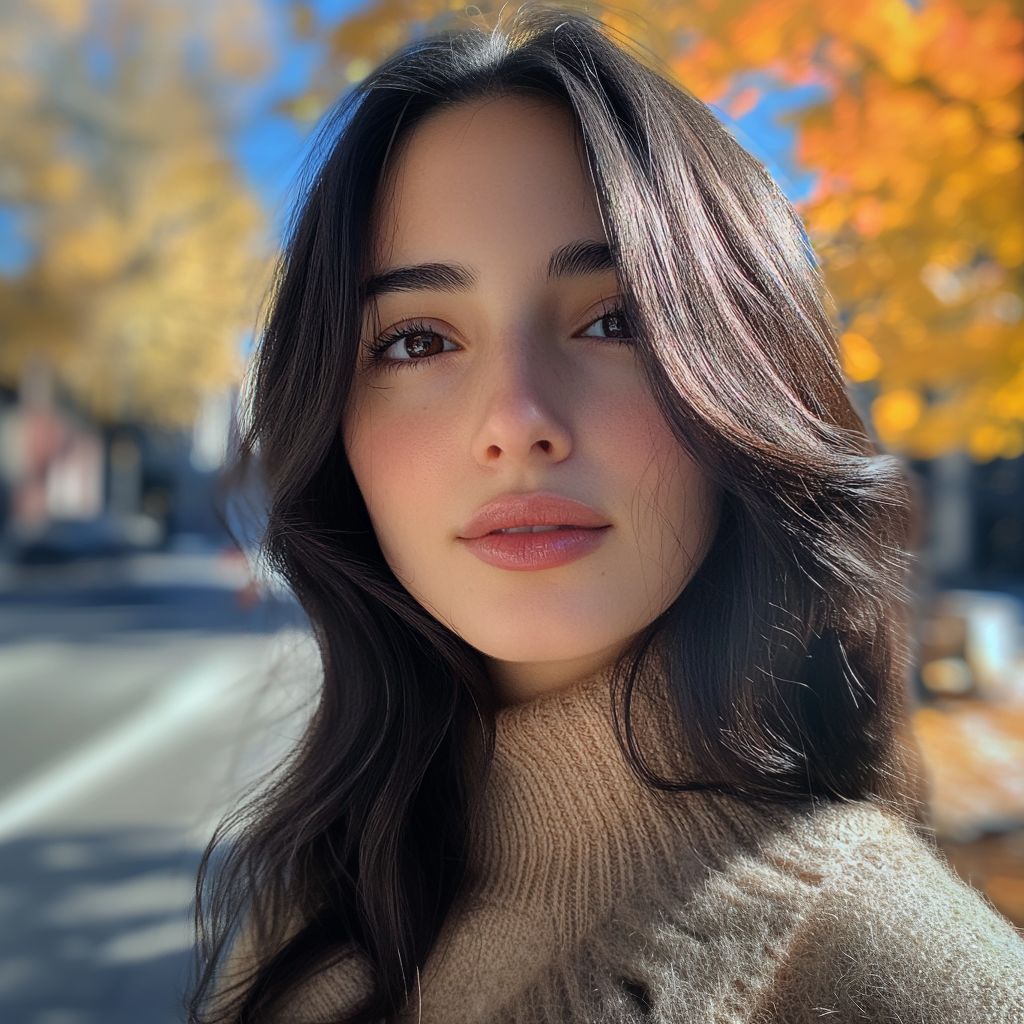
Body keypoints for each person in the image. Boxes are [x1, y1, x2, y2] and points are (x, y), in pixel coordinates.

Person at [190, 8, 1024, 1023]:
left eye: (614, 320)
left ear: (743, 382)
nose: (516, 422)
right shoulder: (313, 902)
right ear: (333, 426)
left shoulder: (891, 968)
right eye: (416, 340)